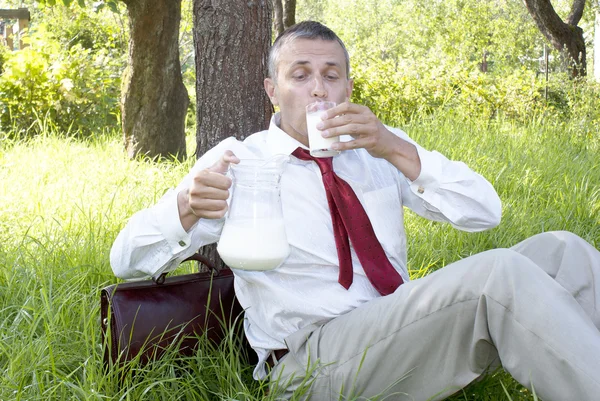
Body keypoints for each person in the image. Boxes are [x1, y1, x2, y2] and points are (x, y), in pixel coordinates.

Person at [111, 21, 600, 401]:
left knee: (564, 251)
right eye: (299, 75)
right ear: (271, 90)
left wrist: (395, 149)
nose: (318, 90)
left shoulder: (375, 149)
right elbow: (125, 259)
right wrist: (186, 208)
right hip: (311, 365)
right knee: (500, 274)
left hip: (398, 331)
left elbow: (484, 211)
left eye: (331, 75)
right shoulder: (241, 163)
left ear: (347, 86)